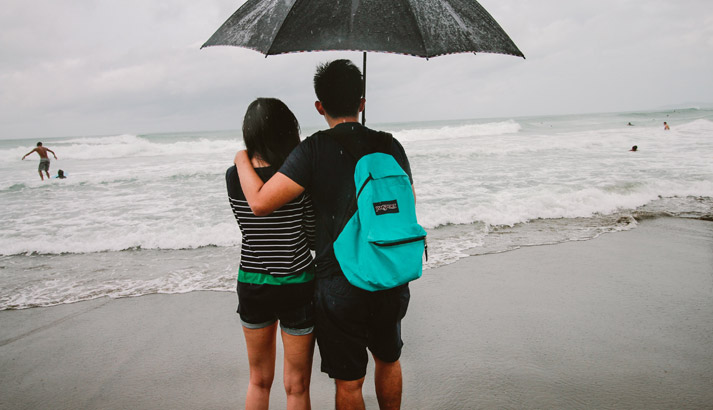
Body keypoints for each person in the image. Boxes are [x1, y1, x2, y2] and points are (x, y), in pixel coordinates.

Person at [235, 59, 414, 410]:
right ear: (361, 102)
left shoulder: (313, 149)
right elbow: (402, 208)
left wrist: (241, 158)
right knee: (389, 360)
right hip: (389, 273)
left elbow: (260, 203)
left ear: (319, 106)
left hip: (341, 283)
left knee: (350, 383)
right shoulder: (390, 145)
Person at [227, 98, 317, 410]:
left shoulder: (233, 175)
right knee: (296, 386)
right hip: (298, 283)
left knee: (258, 380)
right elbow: (313, 234)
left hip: (252, 283)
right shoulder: (296, 178)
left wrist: (241, 158)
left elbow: (246, 224)